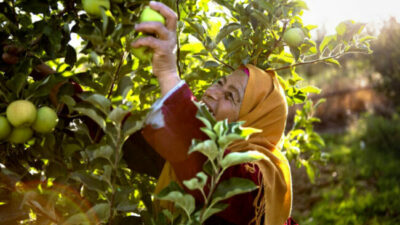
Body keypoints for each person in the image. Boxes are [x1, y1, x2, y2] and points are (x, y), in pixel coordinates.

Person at [123, 1, 296, 225]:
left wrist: (168, 73)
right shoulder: (187, 152)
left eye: (231, 96)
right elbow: (127, 136)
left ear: (252, 121)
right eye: (218, 83)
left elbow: (210, 168)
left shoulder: (255, 180)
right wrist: (71, 101)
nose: (213, 93)